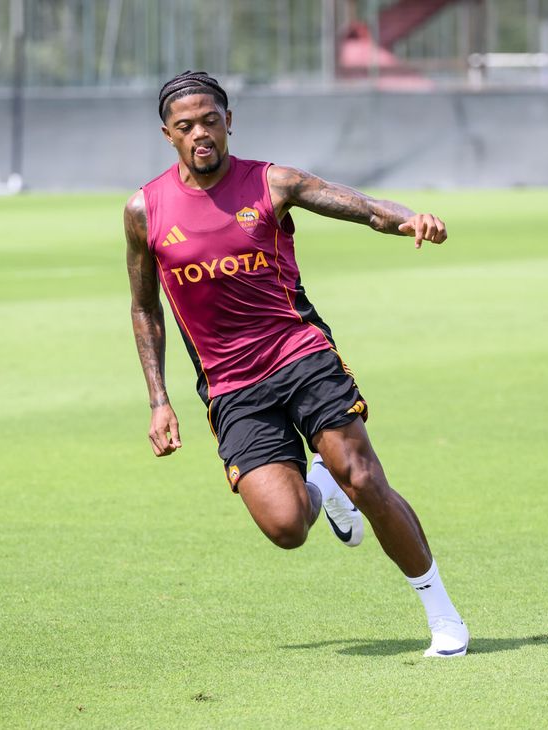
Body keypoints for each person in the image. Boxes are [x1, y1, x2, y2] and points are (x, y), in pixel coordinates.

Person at [124, 70, 467, 657]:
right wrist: (159, 400)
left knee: (363, 478)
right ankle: (317, 482)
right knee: (285, 528)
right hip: (231, 387)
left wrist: (409, 218)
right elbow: (144, 307)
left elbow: (360, 206)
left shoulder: (272, 183)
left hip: (299, 355)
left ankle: (443, 615)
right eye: (186, 126)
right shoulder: (144, 210)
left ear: (228, 121)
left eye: (210, 120)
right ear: (168, 135)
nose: (201, 133)